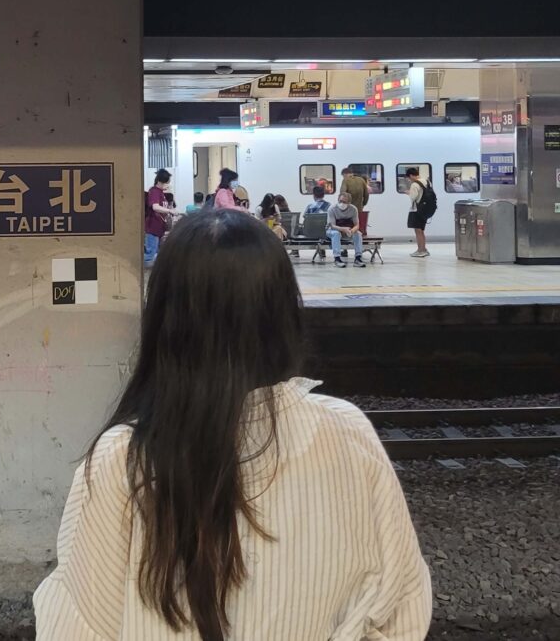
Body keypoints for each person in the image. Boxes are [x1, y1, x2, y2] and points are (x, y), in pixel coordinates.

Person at [34, 210, 431, 640]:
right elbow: (402, 605)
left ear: (165, 318)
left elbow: (77, 625)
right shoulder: (347, 433)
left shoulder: (126, 458)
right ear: (283, 312)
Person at [144, 169, 180, 266]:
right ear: (161, 182)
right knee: (150, 256)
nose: (168, 185)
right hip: (152, 228)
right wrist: (169, 211)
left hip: (159, 229)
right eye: (167, 183)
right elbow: (155, 207)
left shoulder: (161, 193)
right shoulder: (154, 191)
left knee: (156, 254)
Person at [328, 192, 365, 268]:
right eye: (340, 201)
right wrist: (343, 229)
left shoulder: (353, 209)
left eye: (344, 202)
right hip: (332, 230)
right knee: (336, 233)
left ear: (349, 202)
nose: (342, 203)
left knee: (358, 234)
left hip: (347, 229)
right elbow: (332, 225)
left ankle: (358, 258)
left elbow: (357, 225)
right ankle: (337, 258)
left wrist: (352, 231)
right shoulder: (332, 209)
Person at [406, 167, 430, 258]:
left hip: (417, 210)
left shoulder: (415, 184)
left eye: (409, 177)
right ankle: (423, 249)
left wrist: (408, 192)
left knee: (418, 230)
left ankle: (421, 250)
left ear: (411, 175)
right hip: (425, 209)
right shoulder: (427, 181)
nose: (409, 179)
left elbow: (413, 197)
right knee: (421, 230)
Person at [341, 167, 370, 236]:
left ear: (345, 174)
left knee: (349, 224)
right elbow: (366, 194)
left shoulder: (345, 180)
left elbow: (342, 194)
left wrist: (342, 206)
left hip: (348, 209)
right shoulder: (361, 180)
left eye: (343, 176)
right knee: (358, 223)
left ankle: (348, 235)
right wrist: (363, 204)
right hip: (359, 208)